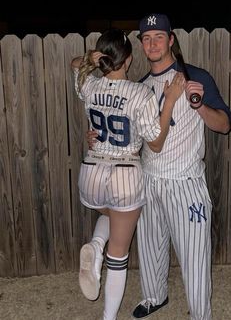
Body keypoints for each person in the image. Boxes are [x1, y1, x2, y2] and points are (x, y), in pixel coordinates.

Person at [87, 15, 231, 320]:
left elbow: (224, 125)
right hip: (148, 178)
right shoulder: (139, 87)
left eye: (158, 37)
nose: (152, 43)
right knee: (151, 247)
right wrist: (98, 137)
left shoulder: (197, 77)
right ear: (141, 46)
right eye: (146, 38)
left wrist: (200, 106)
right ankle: (154, 297)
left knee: (194, 256)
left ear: (170, 40)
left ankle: (200, 314)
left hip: (185, 181)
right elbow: (128, 137)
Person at [71, 27, 185, 320]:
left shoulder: (90, 86)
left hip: (92, 170)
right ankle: (108, 317)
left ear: (102, 59)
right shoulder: (140, 92)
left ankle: (96, 246)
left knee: (108, 214)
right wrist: (170, 100)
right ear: (130, 59)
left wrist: (90, 59)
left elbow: (75, 65)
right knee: (118, 256)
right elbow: (156, 143)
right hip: (124, 173)